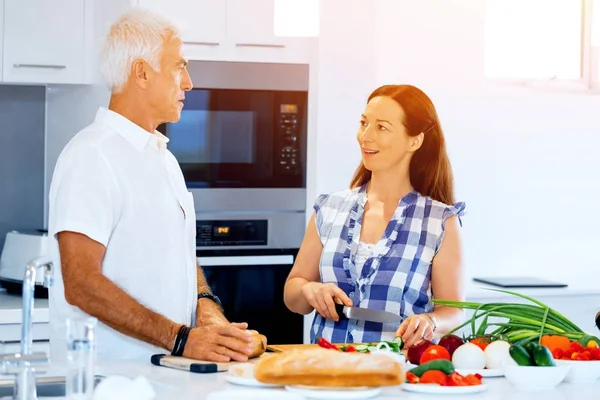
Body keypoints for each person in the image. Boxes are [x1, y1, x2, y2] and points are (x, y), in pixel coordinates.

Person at [47, 8, 254, 363]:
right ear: (141, 72)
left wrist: (204, 306)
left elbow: (177, 256)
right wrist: (180, 339)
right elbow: (80, 283)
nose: (188, 82)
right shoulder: (91, 156)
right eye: (178, 67)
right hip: (107, 379)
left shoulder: (163, 158)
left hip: (162, 374)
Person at [284, 84, 466, 348]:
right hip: (327, 371)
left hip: (397, 375)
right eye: (363, 123)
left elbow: (454, 313)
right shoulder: (330, 208)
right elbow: (293, 296)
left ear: (414, 140)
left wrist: (430, 322)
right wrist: (308, 290)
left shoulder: (440, 221)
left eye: (381, 127)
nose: (365, 136)